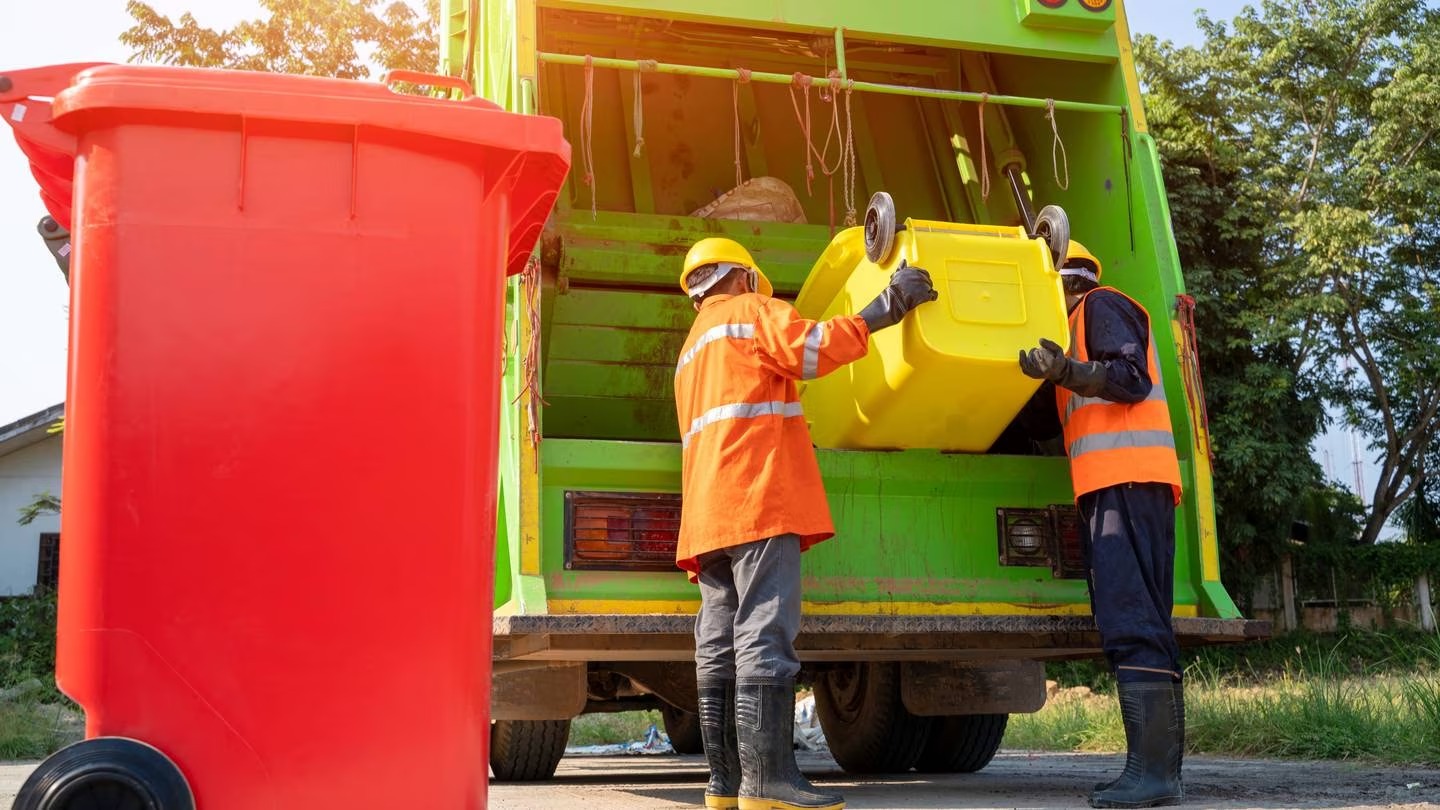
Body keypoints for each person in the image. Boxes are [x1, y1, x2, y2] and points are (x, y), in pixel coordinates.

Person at [674, 237, 936, 810]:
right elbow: (811, 350)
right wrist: (888, 306)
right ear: (743, 277)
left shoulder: (692, 349)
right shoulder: (753, 312)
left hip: (708, 513)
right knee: (764, 631)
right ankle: (768, 783)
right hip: (759, 496)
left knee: (718, 639)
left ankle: (724, 783)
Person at [1018, 241, 1186, 809]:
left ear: (1063, 281)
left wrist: (1066, 368)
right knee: (1142, 619)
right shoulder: (1072, 328)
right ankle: (1160, 773)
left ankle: (1152, 774)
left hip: (1127, 481)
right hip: (1124, 484)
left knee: (1130, 617)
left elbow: (1129, 378)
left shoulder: (1099, 306)